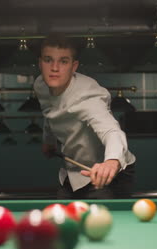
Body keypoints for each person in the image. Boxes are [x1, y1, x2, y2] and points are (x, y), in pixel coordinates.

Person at [33, 33, 136, 199]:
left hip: (107, 173)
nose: (54, 68)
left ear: (74, 67)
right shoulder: (40, 85)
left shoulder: (87, 97)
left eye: (63, 61)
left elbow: (111, 131)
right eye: (48, 60)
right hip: (73, 169)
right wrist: (49, 140)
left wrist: (111, 161)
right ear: (40, 63)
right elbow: (48, 110)